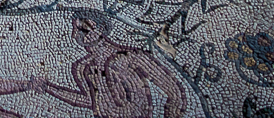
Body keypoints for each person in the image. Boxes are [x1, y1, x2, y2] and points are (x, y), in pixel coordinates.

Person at [39, 11, 187, 118]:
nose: (78, 34)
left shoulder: (131, 56)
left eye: (84, 27)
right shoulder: (83, 67)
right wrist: (48, 87)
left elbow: (174, 91)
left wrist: (171, 114)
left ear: (101, 28)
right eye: (76, 29)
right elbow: (88, 100)